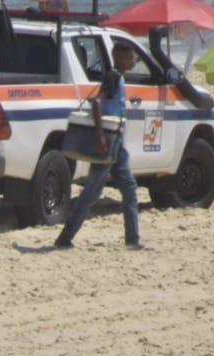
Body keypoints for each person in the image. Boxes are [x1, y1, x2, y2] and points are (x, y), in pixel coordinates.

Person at [54, 42, 141, 250]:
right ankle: (64, 238)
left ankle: (132, 240)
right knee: (91, 192)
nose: (133, 61)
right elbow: (97, 102)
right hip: (109, 141)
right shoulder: (112, 76)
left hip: (117, 142)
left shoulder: (117, 77)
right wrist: (100, 136)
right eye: (130, 57)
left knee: (129, 188)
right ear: (119, 58)